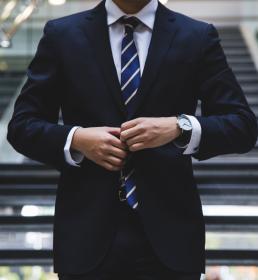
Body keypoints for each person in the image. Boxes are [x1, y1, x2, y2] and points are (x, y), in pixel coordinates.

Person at [7, 0, 258, 279]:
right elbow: (22, 126)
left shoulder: (196, 36)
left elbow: (242, 126)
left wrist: (179, 126)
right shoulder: (62, 34)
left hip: (171, 240)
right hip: (85, 238)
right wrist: (76, 138)